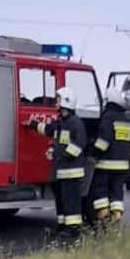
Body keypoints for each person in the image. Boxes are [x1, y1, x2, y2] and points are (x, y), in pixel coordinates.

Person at [24, 86, 87, 241]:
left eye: (58, 98)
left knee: (71, 201)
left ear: (67, 101)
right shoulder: (62, 122)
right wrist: (32, 125)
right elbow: (50, 131)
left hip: (71, 171)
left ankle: (73, 229)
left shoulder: (75, 123)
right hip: (61, 170)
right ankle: (63, 226)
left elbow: (79, 144)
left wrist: (62, 155)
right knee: (62, 200)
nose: (56, 101)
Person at [88, 86, 130, 225]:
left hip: (106, 165)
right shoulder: (125, 119)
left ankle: (104, 219)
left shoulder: (108, 117)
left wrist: (93, 153)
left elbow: (103, 140)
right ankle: (116, 218)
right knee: (117, 195)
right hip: (122, 166)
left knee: (99, 192)